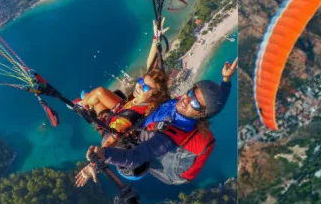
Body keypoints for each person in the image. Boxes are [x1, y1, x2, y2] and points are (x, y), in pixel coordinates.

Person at [81, 59, 238, 186]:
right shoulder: (180, 104)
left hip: (134, 160)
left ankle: (92, 111)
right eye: (190, 93)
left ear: (201, 114)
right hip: (142, 127)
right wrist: (226, 80)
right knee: (106, 103)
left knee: (105, 120)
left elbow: (136, 157)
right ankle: (93, 107)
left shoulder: (170, 134)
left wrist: (100, 158)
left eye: (195, 103)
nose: (187, 100)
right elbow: (215, 104)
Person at [73, 69, 171, 184]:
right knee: (99, 92)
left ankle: (82, 104)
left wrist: (93, 164)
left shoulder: (130, 117)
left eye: (145, 88)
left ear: (155, 96)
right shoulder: (145, 101)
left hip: (115, 125)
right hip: (122, 110)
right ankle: (87, 102)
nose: (139, 87)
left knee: (98, 98)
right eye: (141, 81)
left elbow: (111, 140)